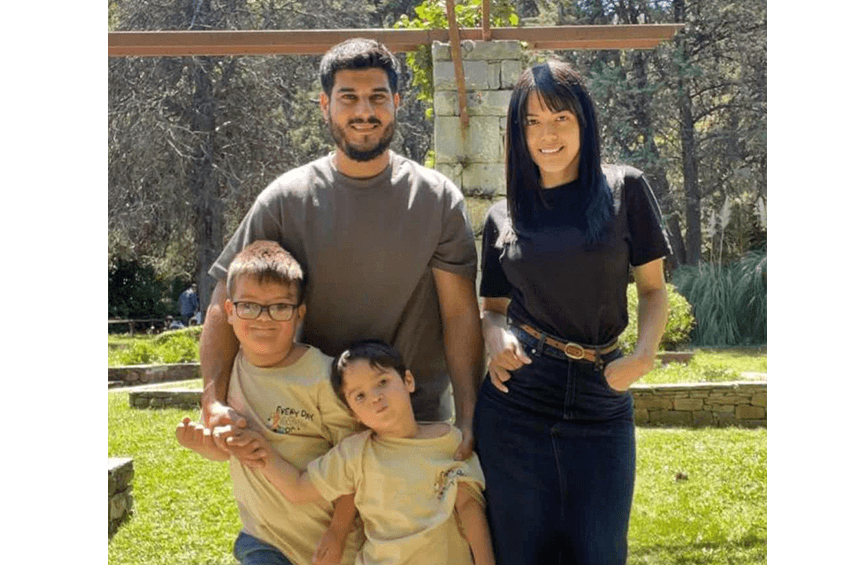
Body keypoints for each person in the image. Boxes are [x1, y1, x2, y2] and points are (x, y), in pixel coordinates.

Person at [200, 38, 483, 461]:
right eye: (348, 97)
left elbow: (459, 315)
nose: (364, 111)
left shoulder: (437, 199)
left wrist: (469, 416)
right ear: (325, 105)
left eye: (377, 97)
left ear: (397, 103)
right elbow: (225, 302)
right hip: (307, 428)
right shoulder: (285, 201)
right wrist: (212, 400)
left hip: (413, 423)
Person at [473, 61, 672, 565]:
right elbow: (492, 309)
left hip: (601, 396)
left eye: (561, 117)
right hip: (519, 401)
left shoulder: (624, 190)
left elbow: (652, 291)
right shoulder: (503, 216)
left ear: (584, 121)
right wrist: (495, 337)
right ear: (518, 134)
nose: (548, 135)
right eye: (533, 122)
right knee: (520, 554)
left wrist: (643, 357)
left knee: (600, 552)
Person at [222, 339, 495, 565]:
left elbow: (470, 509)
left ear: (408, 380)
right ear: (353, 413)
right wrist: (262, 453)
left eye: (382, 382)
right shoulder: (355, 453)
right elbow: (299, 488)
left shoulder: (449, 441)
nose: (375, 397)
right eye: (360, 396)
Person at [176, 240, 364, 565]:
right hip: (263, 539)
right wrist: (204, 444)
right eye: (249, 306)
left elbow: (353, 465)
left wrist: (337, 532)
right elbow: (227, 450)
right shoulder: (229, 373)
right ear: (230, 312)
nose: (264, 318)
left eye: (280, 307)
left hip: (330, 546)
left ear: (299, 314)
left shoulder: (324, 377)